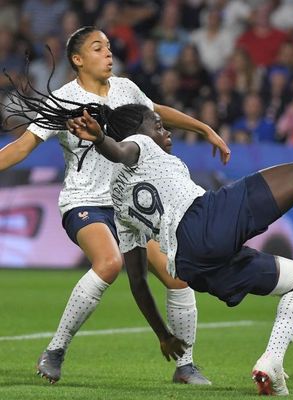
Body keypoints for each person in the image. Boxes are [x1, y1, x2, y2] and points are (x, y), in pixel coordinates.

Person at [56, 66, 293, 395]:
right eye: (158, 125)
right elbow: (121, 151)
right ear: (139, 132)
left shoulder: (117, 199)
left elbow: (139, 280)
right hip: (206, 218)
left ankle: (271, 362)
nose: (165, 132)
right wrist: (105, 139)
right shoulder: (137, 143)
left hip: (192, 264)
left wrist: (162, 333)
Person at [0, 26, 230, 385]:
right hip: (85, 201)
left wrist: (203, 128)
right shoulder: (62, 100)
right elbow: (21, 147)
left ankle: (185, 366)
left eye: (108, 46)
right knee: (109, 263)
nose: (108, 53)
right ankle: (56, 349)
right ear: (77, 59)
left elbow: (156, 112)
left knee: (178, 277)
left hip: (130, 205)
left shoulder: (125, 88)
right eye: (97, 48)